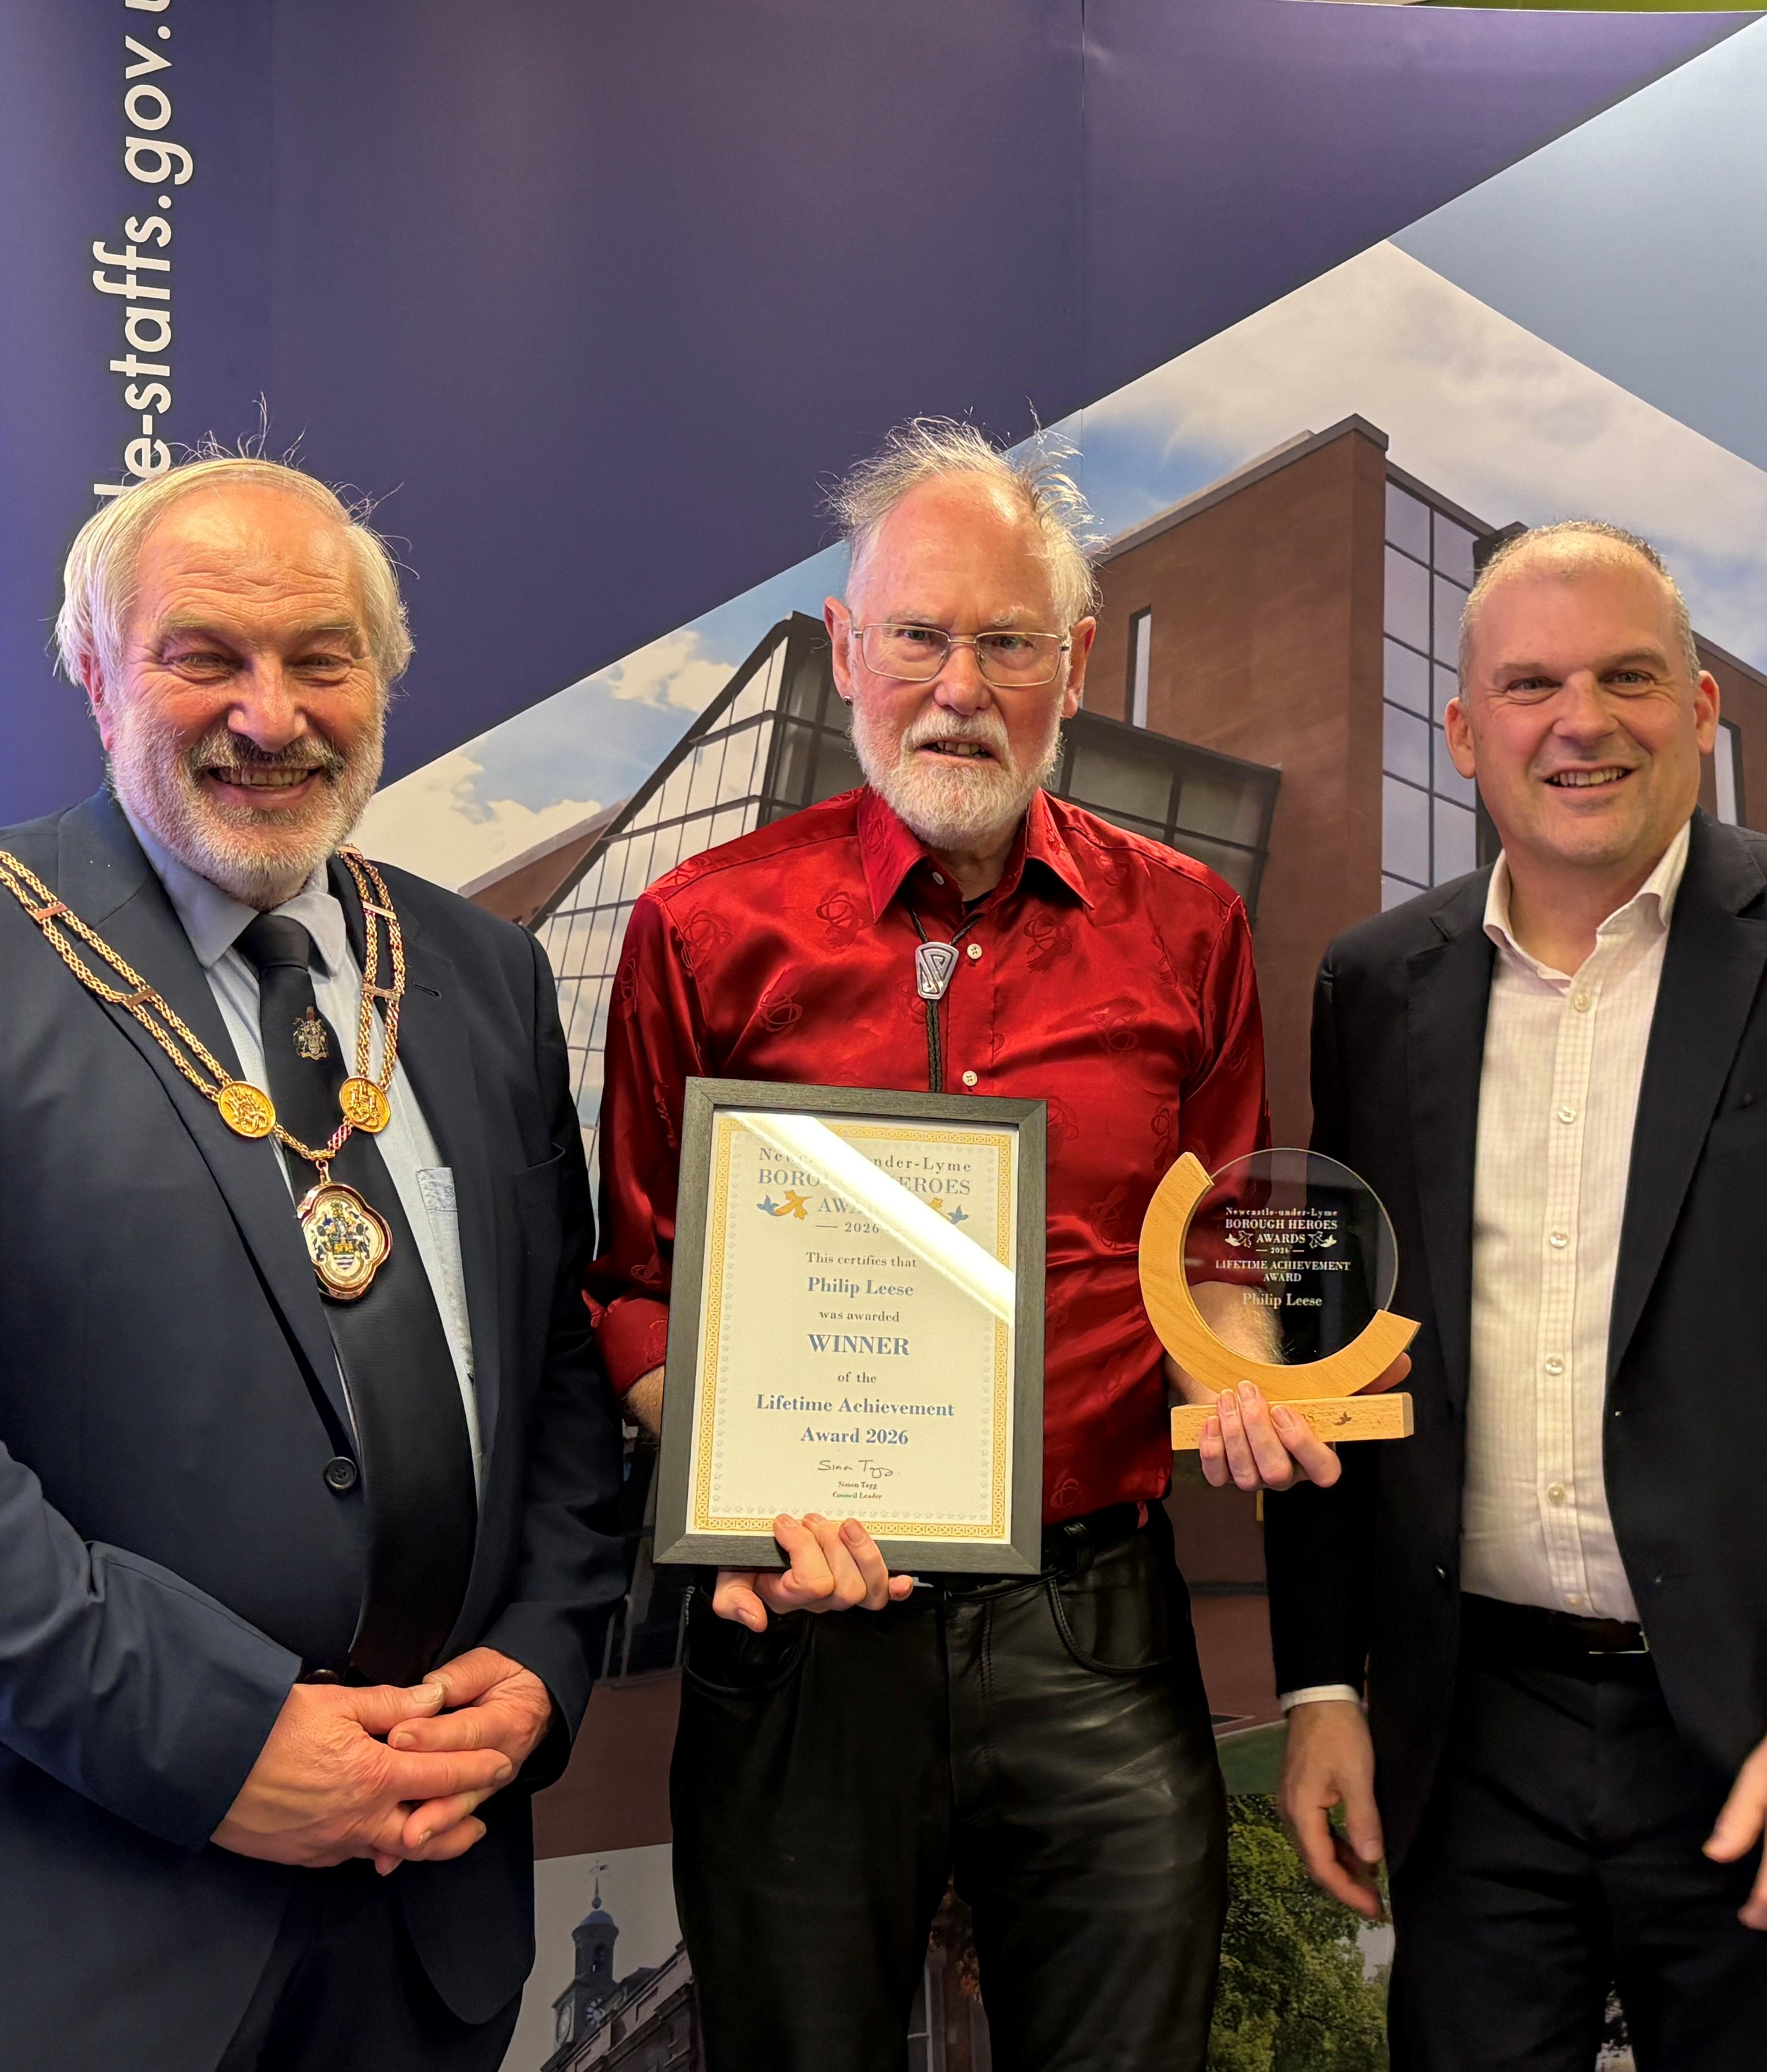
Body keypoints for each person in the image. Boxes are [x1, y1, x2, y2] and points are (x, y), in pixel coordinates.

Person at [0, 457, 628, 2070]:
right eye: (206, 657)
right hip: (51, 1940)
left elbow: (557, 1381)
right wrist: (226, 1738)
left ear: (381, 679)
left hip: (422, 1929)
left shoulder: (479, 976)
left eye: (322, 657)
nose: (272, 715)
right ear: (96, 670)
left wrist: (537, 1669)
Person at [587, 419, 1336, 2071]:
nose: (958, 685)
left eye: (1005, 642)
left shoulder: (1191, 927)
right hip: (800, 1644)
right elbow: (633, 1289)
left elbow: (1216, 1246)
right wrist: (734, 1479)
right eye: (918, 635)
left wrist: (1243, 1370)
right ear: (850, 649)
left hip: (1096, 1624)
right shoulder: (702, 927)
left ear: (1074, 663)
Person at [1263, 520, 1767, 2070]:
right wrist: (1315, 1681)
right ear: (1465, 728)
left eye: (1628, 677)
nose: (1581, 722)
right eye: (1531, 683)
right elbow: (1339, 1353)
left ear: (1694, 709)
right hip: (1470, 1738)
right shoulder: (1374, 986)